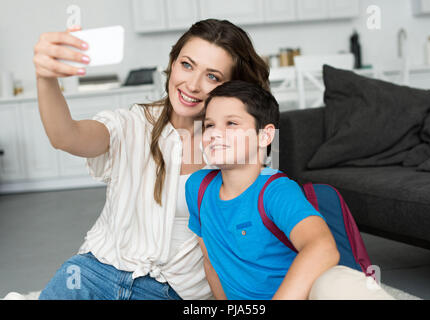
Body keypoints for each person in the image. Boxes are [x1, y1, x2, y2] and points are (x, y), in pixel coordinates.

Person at [32, 19, 269, 300]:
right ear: (172, 63)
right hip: (92, 275)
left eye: (212, 76)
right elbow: (65, 137)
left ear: (232, 87)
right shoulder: (131, 123)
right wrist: (45, 78)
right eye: (187, 65)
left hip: (169, 292)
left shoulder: (242, 145)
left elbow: (256, 229)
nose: (192, 84)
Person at [186, 80, 395, 300]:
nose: (215, 134)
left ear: (265, 136)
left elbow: (323, 247)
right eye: (209, 125)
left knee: (335, 281)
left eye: (231, 123)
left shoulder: (276, 190)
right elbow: (211, 262)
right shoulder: (197, 188)